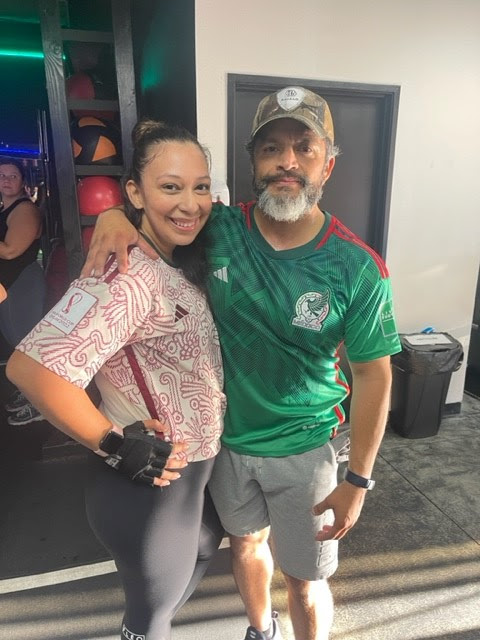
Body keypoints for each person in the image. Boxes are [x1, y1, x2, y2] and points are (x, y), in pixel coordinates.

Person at [81, 86, 401, 640]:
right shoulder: (220, 228)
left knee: (305, 580)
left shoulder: (357, 267)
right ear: (253, 162)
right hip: (226, 446)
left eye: (304, 147)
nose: (287, 162)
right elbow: (165, 212)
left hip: (305, 449)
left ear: (328, 164)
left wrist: (359, 480)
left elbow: (375, 373)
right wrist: (115, 214)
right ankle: (260, 630)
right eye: (271, 148)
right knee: (247, 546)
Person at [6, 119, 226, 640]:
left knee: (185, 577)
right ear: (135, 192)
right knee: (149, 623)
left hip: (191, 478)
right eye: (170, 186)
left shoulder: (175, 259)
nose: (189, 203)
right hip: (150, 487)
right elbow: (31, 367)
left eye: (199, 187)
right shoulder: (127, 275)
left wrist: (113, 215)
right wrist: (113, 444)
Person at [0, 157, 44, 424]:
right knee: (17, 344)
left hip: (22, 283)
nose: (6, 180)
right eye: (1, 175)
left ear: (23, 181)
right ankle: (30, 394)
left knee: (26, 345)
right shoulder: (5, 208)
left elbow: (11, 250)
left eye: (12, 176)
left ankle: (42, 404)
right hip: (9, 284)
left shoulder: (25, 209)